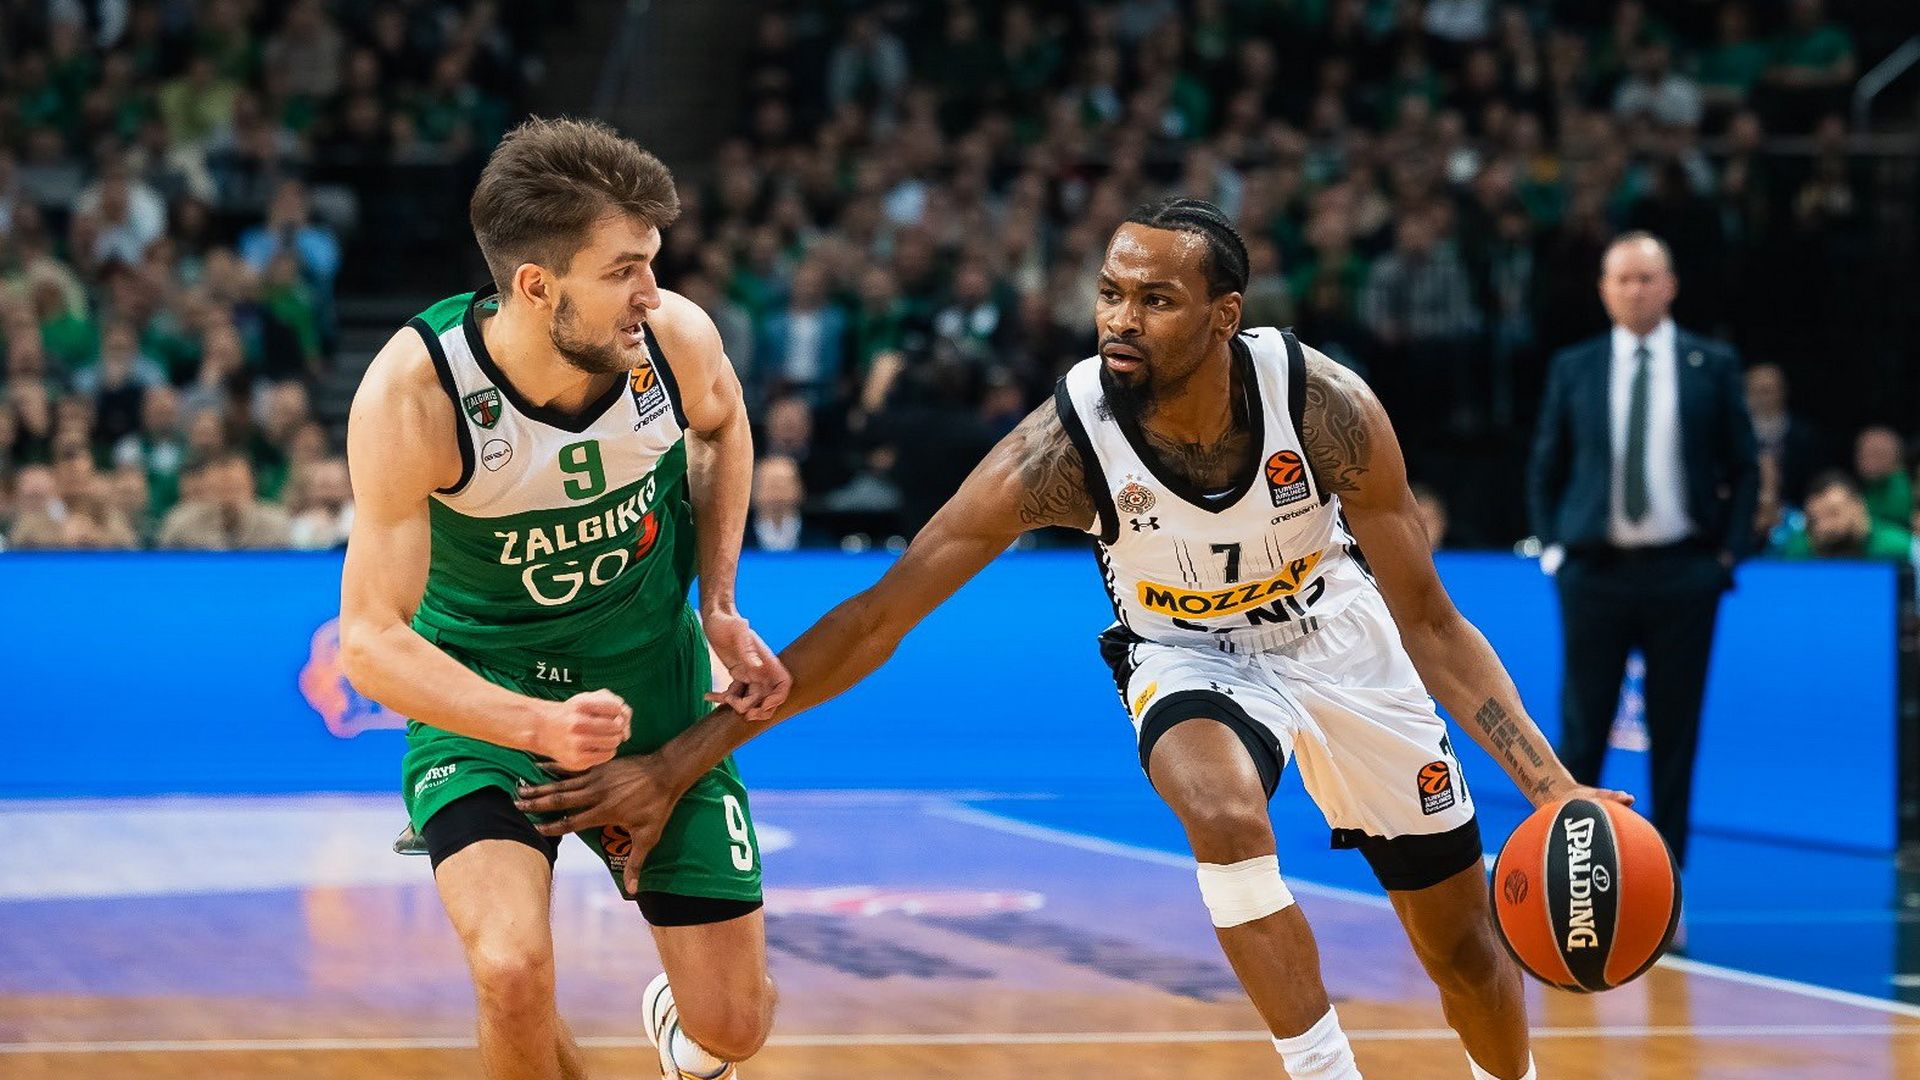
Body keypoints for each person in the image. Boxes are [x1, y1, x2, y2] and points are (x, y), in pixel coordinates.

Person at [522, 199, 1630, 1080]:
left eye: (1155, 299)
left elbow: (1430, 619)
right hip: (1185, 652)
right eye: (1109, 293)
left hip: (1342, 639)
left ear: (1225, 317)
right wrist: (678, 762)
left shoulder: (1326, 408)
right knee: (1221, 809)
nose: (1119, 319)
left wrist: (1554, 790)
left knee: (1463, 952)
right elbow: (878, 616)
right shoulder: (1062, 448)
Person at [337, 117, 791, 1080]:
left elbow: (723, 426)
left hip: (654, 681)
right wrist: (536, 724)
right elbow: (370, 643)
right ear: (538, 285)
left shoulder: (674, 341)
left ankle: (686, 1013)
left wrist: (718, 600)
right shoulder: (417, 396)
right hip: (490, 702)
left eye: (652, 262)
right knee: (511, 972)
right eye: (624, 270)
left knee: (735, 1027)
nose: (652, 293)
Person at [1527, 231, 1757, 872]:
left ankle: (1669, 875)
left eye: (1646, 278)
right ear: (1604, 290)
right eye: (1622, 279)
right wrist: (1554, 549)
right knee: (1582, 728)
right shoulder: (1574, 366)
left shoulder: (1712, 363)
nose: (1634, 290)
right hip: (1594, 572)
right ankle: (1569, 871)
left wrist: (1727, 555)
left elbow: (1745, 466)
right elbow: (1546, 463)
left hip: (1685, 571)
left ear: (1670, 286)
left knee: (1676, 731)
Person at [1772, 470, 1913, 561]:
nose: (1824, 527)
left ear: (1858, 505)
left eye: (1833, 513)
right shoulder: (1799, 552)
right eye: (1815, 520)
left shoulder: (1899, 548)